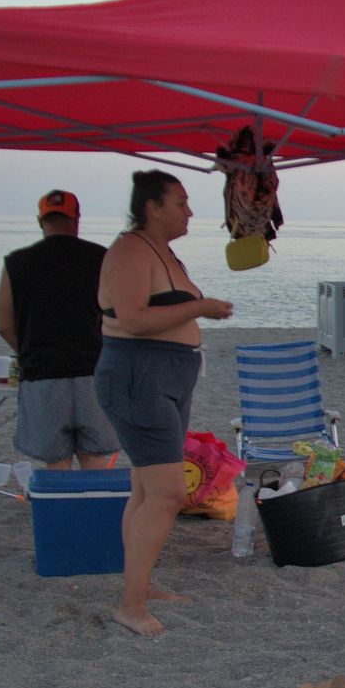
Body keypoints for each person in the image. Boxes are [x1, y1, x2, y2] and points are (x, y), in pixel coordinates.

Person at [94, 171, 234, 637]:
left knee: (144, 490)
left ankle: (141, 584)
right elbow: (133, 319)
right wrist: (199, 308)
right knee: (167, 494)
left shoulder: (162, 251)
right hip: (139, 374)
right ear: (153, 208)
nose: (190, 211)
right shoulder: (130, 250)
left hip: (168, 374)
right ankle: (130, 605)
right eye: (181, 202)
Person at [0, 190, 120, 471]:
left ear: (40, 221)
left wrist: (28, 350)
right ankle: (95, 501)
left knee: (56, 460)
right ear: (76, 219)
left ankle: (64, 501)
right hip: (93, 372)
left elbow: (4, 324)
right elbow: (119, 314)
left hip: (43, 374)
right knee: (94, 456)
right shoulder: (101, 258)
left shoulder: (16, 263)